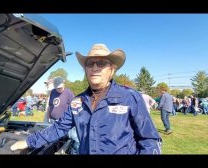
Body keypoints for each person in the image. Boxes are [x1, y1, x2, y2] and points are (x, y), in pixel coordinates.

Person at [10, 43, 162, 154]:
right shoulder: (78, 102)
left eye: (101, 63)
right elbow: (59, 128)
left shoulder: (129, 97)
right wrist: (28, 141)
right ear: (85, 69)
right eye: (90, 63)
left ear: (112, 70)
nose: (95, 67)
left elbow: (150, 139)